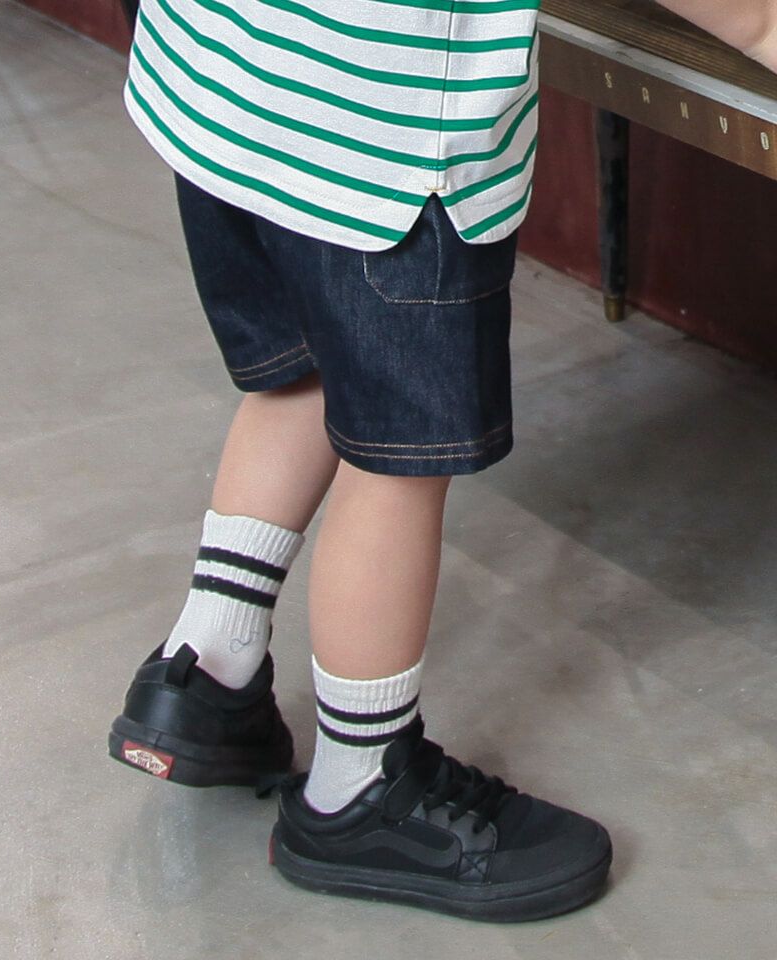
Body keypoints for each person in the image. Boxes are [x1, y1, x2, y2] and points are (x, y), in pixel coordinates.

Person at [108, 0, 777, 922]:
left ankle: (203, 671)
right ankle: (359, 791)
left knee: (301, 375)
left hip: (226, 92)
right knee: (395, 473)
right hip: (386, 154)